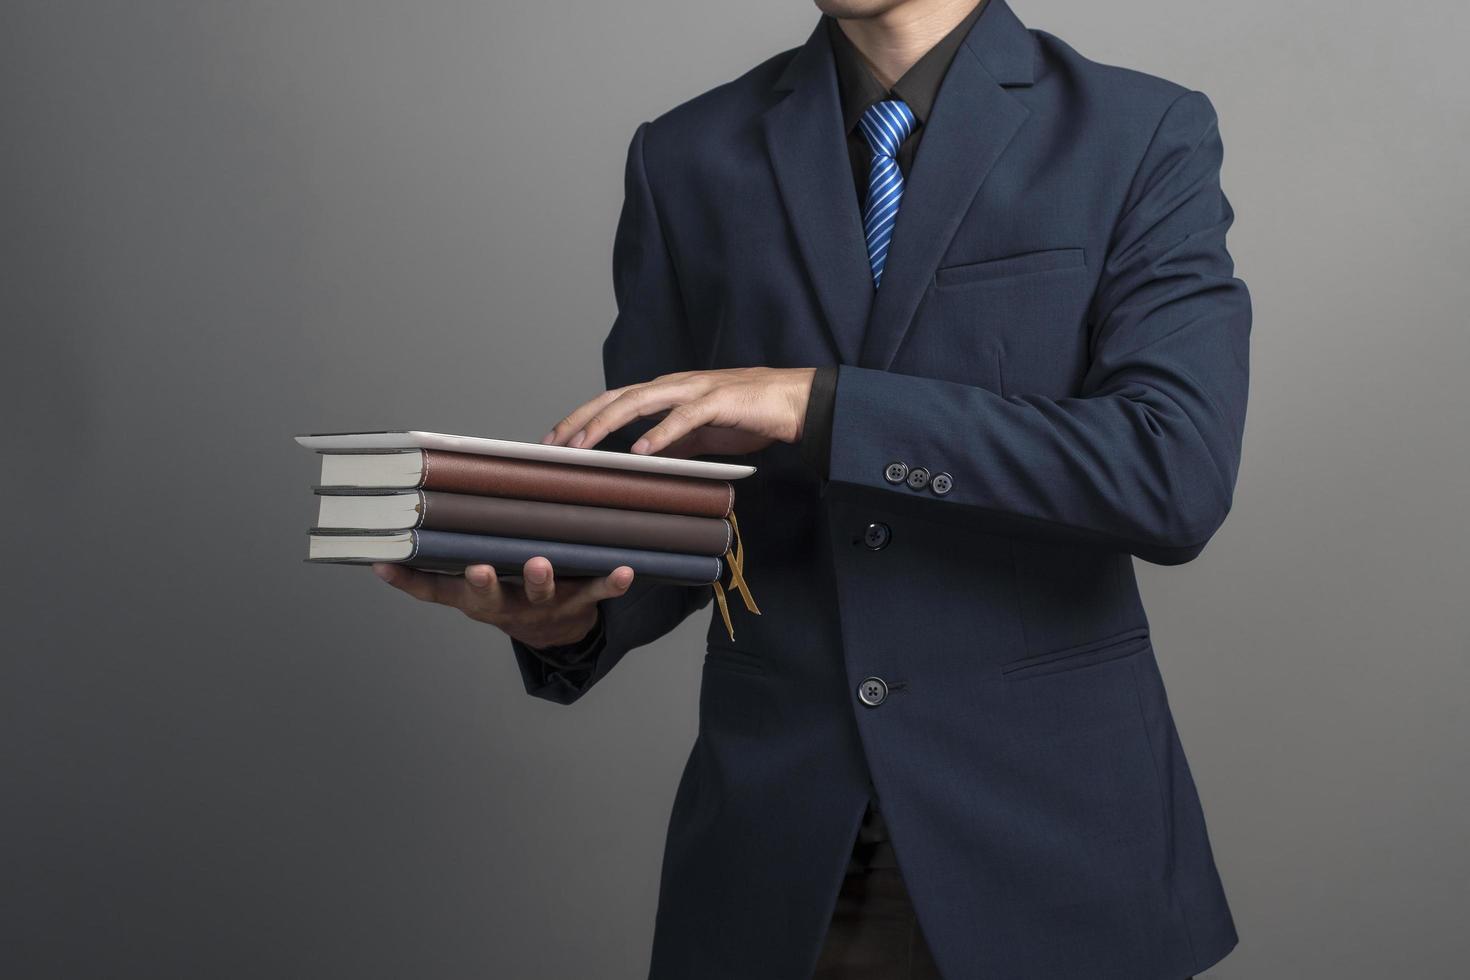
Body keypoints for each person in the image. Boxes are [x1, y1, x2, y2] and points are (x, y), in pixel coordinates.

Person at [375, 0, 1248, 976]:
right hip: (774, 864)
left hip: (1054, 853)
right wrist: (572, 616)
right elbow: (666, 502)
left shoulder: (1140, 133)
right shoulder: (687, 156)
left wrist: (825, 407)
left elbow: (1173, 471)